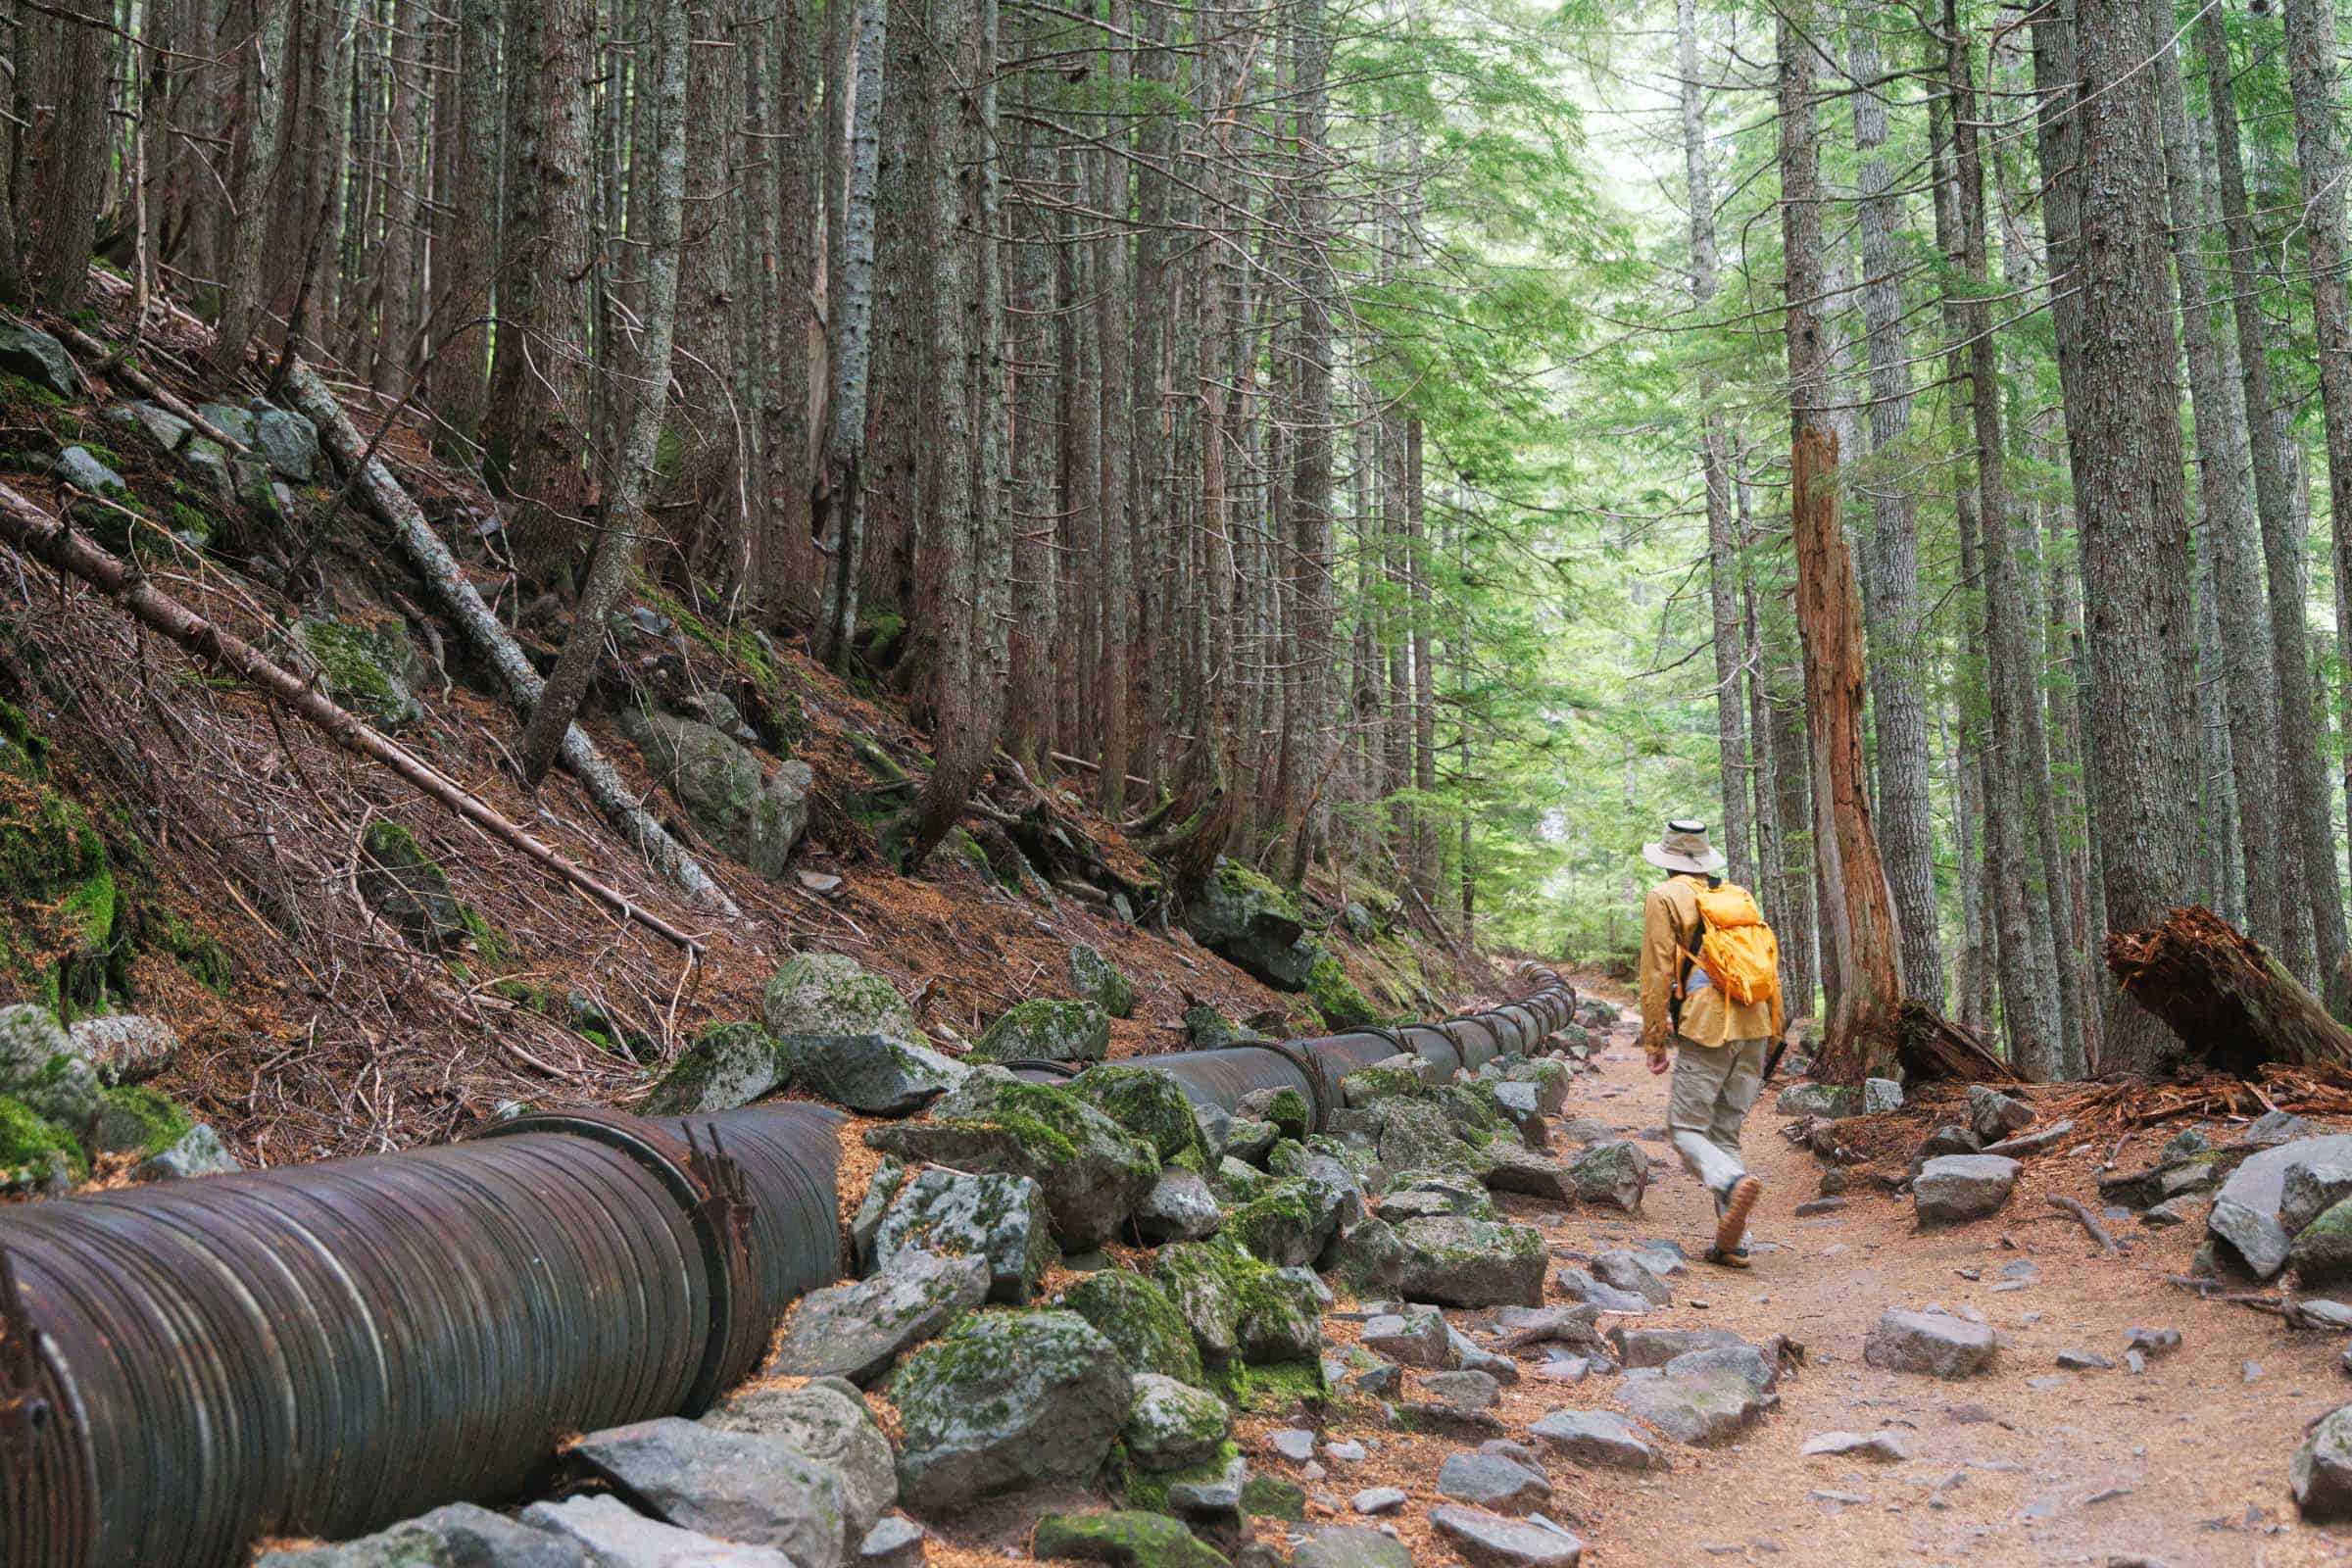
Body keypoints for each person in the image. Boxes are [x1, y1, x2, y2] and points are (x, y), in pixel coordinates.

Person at [1636, 816, 1775, 1267]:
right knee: (1724, 1131)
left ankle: (1732, 1183)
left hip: (1710, 1023)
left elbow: (1656, 972)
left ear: (1667, 859)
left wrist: (1654, 1039)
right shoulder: (1736, 895)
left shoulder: (1664, 897)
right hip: (1755, 1021)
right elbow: (1769, 963)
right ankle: (1736, 1241)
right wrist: (1776, 1030)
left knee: (1685, 1129)